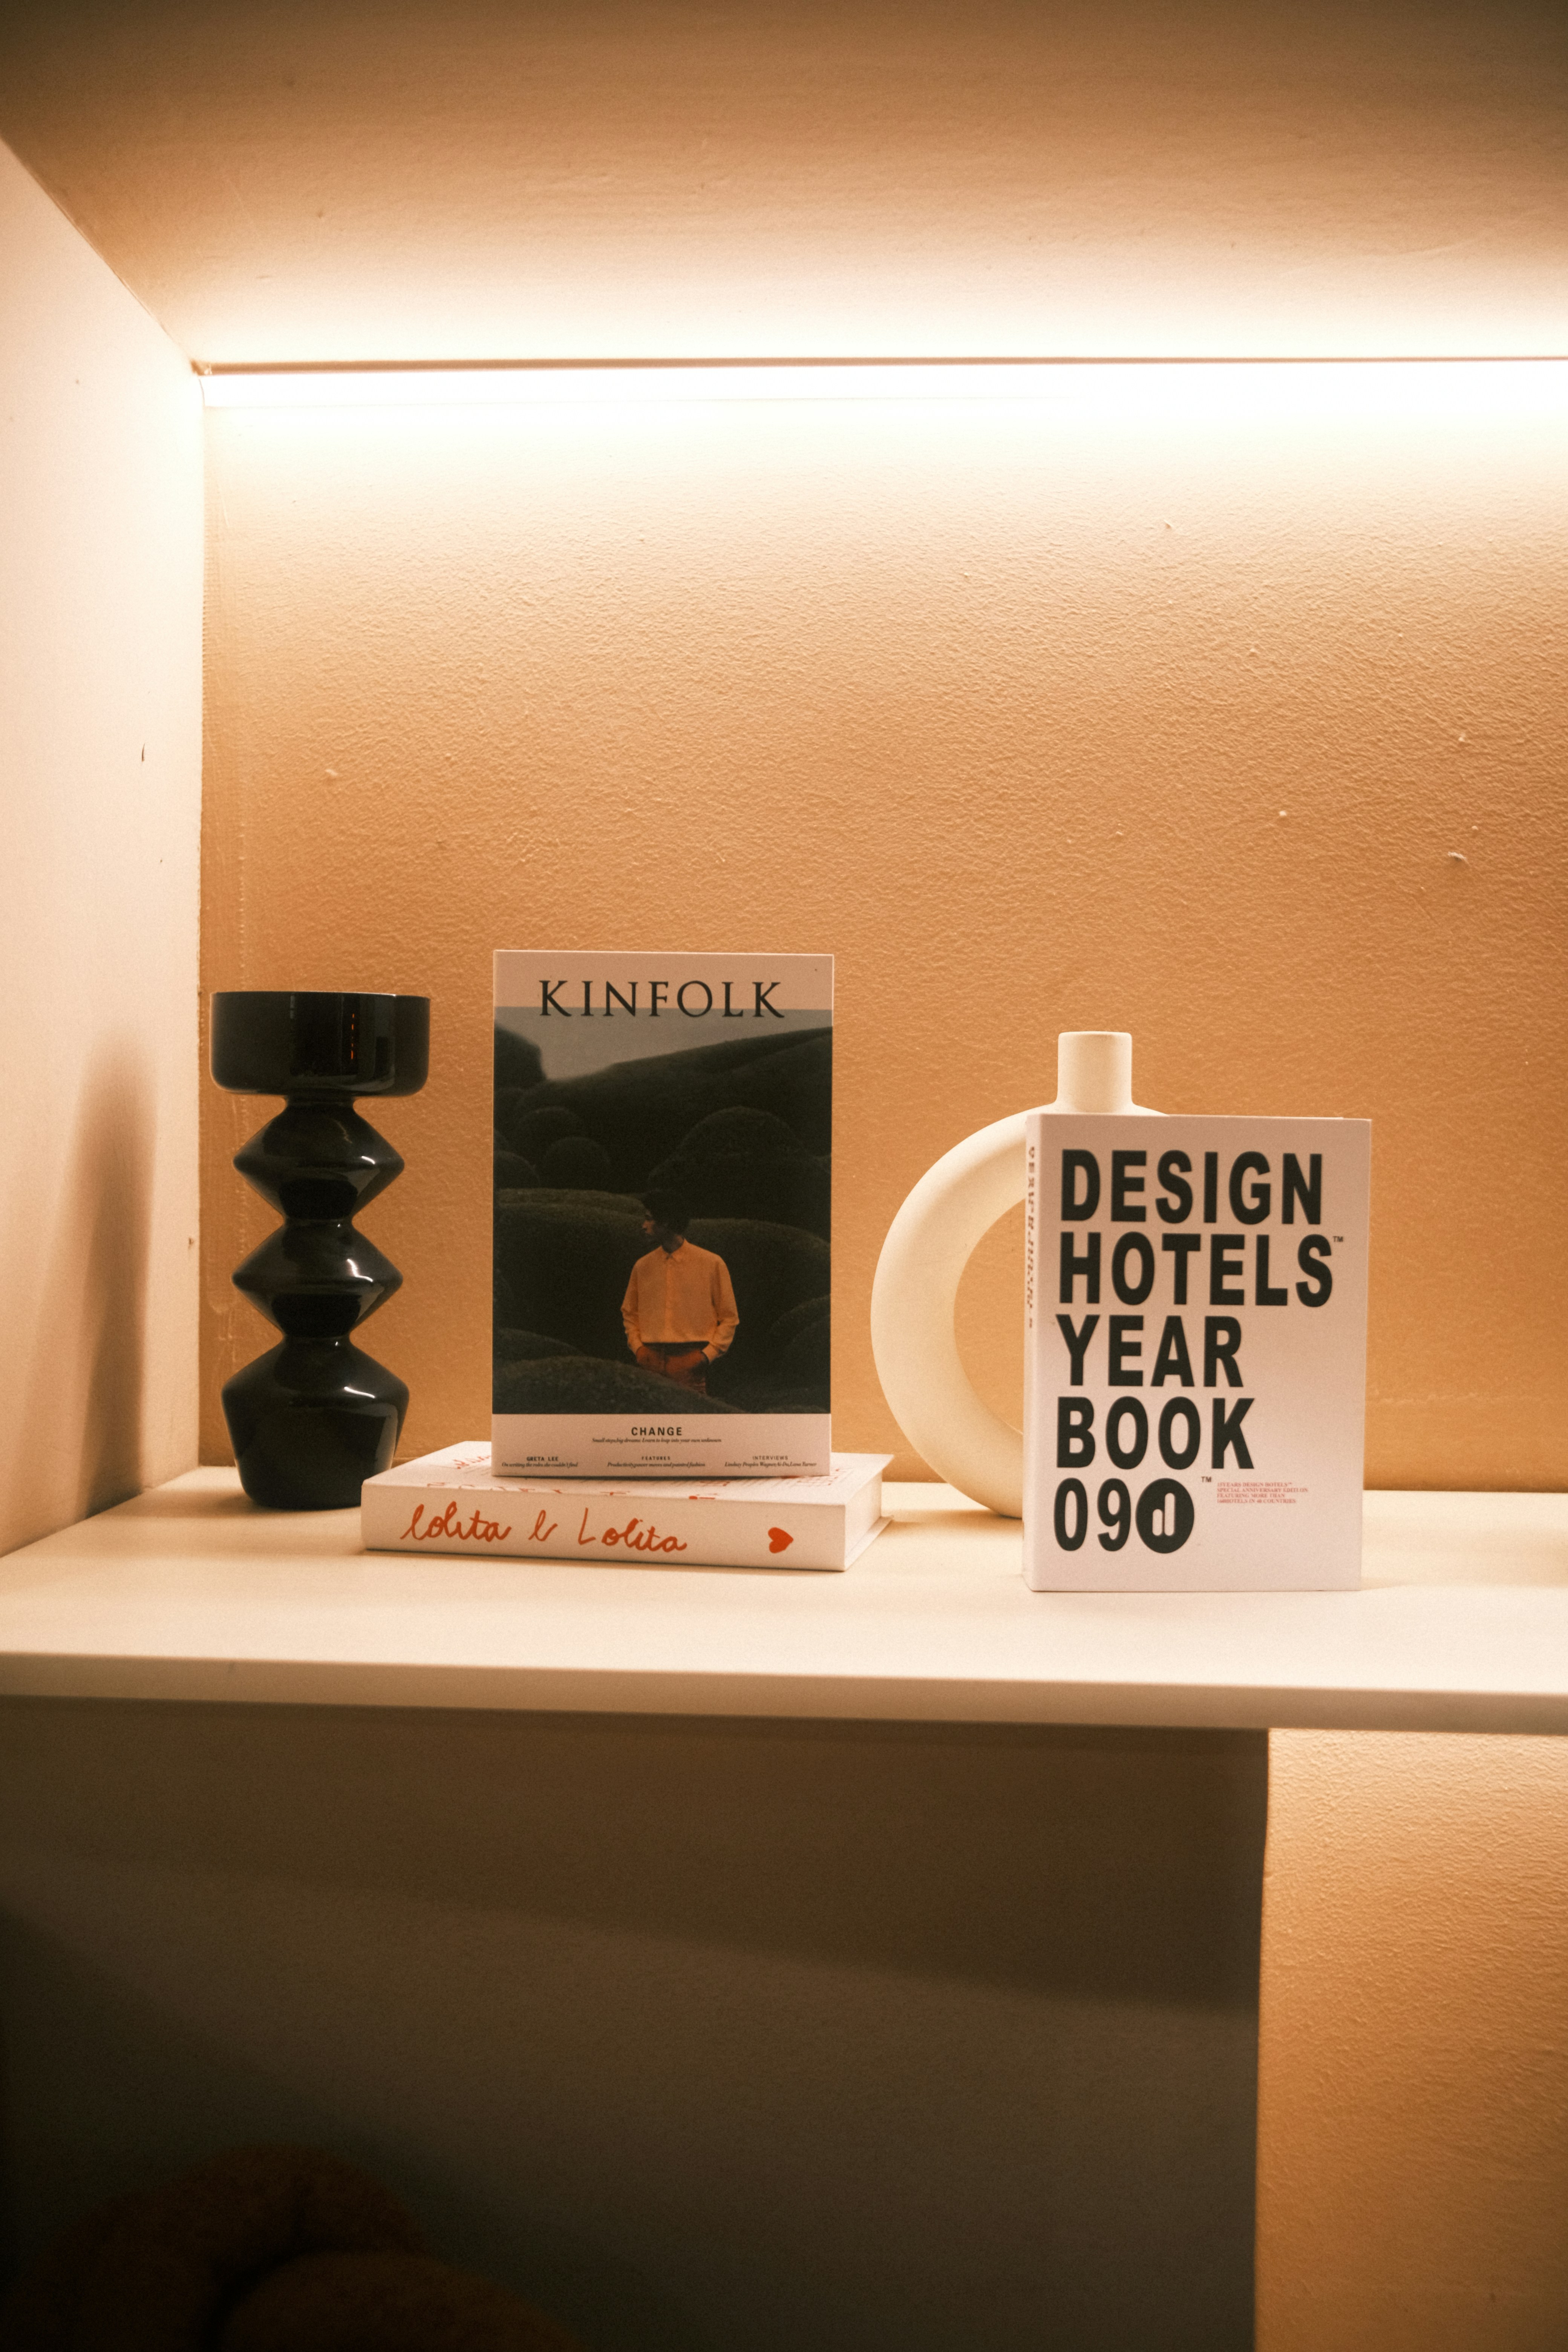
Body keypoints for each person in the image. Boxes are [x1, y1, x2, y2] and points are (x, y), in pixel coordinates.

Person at [621, 1190, 739, 1394]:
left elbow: (729, 1318)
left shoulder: (711, 1264)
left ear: (665, 1223)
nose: (643, 1225)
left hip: (690, 1361)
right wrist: (639, 1349)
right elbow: (630, 1312)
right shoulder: (643, 1266)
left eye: (649, 1219)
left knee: (690, 1423)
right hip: (650, 1360)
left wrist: (706, 1356)